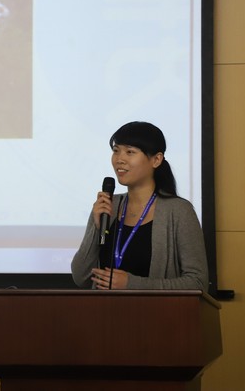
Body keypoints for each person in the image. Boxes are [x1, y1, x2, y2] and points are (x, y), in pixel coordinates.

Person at [71, 121, 209, 290]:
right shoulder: (108, 205)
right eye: (116, 151)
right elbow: (81, 278)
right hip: (103, 307)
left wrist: (131, 284)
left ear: (156, 160)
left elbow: (198, 282)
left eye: (130, 152)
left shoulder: (179, 211)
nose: (119, 159)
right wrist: (96, 229)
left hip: (153, 308)